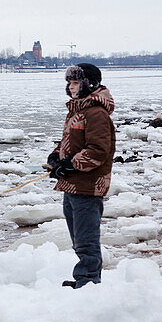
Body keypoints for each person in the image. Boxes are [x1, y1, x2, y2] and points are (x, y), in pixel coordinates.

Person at [47, 63, 115, 288]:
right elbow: (71, 143)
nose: (71, 87)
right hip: (73, 184)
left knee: (86, 239)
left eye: (75, 82)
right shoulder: (78, 110)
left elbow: (98, 150)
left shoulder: (95, 112)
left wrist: (70, 165)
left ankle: (88, 282)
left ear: (89, 84)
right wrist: (56, 158)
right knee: (77, 238)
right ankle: (85, 279)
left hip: (88, 185)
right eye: (69, 83)